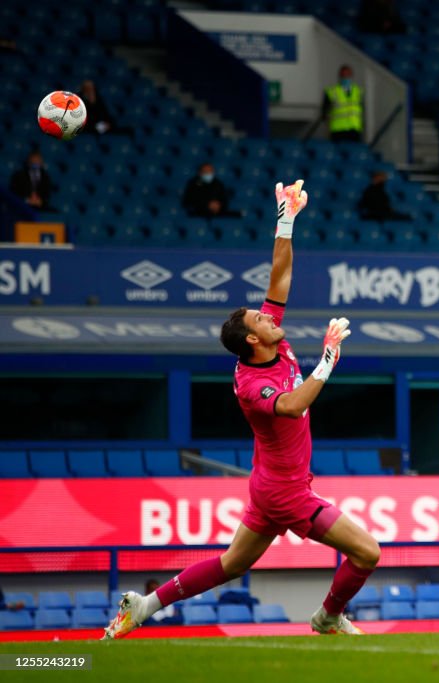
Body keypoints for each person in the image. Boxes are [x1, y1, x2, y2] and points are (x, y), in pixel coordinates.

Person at [103, 180, 380, 639]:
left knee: (231, 564)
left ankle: (145, 605)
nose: (270, 316)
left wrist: (286, 218)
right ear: (252, 340)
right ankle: (328, 615)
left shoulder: (273, 343)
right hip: (287, 493)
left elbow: (280, 276)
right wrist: (328, 361)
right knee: (368, 553)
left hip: (270, 483)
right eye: (260, 318)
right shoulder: (253, 384)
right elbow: (291, 407)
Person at [322, 65, 363, 143]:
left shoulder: (358, 91)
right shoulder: (331, 92)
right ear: (340, 77)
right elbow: (324, 113)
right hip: (338, 131)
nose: (346, 78)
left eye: (348, 75)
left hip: (354, 130)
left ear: (351, 76)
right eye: (343, 75)